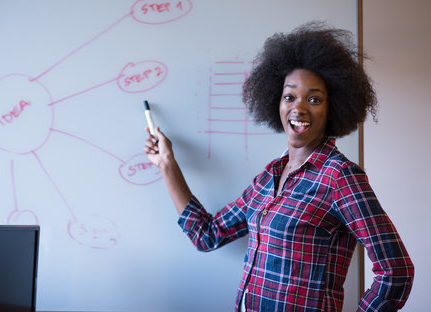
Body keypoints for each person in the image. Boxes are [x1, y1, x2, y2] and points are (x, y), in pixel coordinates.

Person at [143, 22, 414, 312]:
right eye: (289, 96)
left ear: (332, 108)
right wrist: (167, 164)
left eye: (314, 99)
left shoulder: (339, 177)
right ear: (276, 102)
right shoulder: (268, 177)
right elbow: (207, 235)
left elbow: (396, 271)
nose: (299, 108)